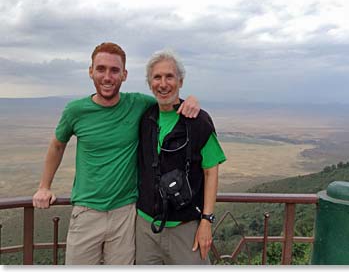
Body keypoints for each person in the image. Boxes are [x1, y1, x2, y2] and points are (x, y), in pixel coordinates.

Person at [32, 42, 200, 265]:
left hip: (125, 214)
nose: (107, 77)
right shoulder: (76, 111)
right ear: (90, 71)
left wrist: (191, 100)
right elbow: (57, 145)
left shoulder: (138, 104)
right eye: (100, 69)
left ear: (124, 75)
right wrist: (44, 186)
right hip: (86, 212)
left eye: (114, 70)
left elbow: (168, 98)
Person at [136, 49, 226, 265]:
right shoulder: (145, 118)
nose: (163, 83)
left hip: (186, 228)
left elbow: (211, 171)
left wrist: (206, 221)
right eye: (157, 77)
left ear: (181, 81)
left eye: (169, 76)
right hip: (145, 227)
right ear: (150, 83)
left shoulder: (198, 121)